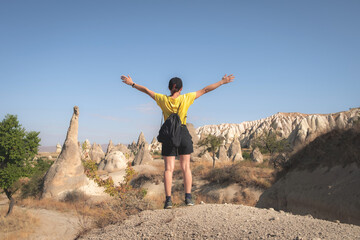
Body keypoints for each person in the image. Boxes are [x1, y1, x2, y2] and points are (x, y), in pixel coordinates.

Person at [121, 74, 235, 209]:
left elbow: (146, 90)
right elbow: (205, 90)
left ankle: (168, 200)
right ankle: (188, 198)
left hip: (169, 135)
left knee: (168, 169)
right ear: (181, 89)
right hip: (182, 133)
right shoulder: (186, 98)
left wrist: (132, 84)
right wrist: (222, 82)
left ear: (169, 88)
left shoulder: (162, 99)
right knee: (186, 167)